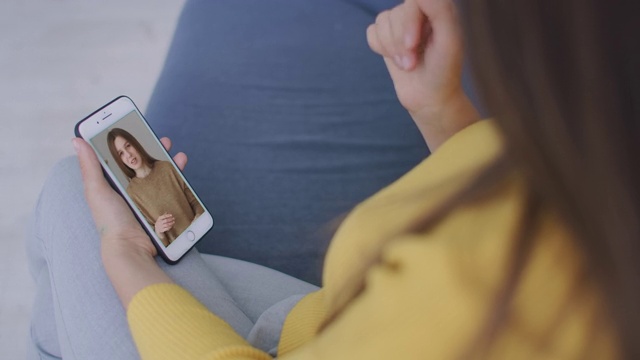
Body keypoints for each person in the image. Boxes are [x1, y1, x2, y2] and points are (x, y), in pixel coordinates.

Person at [27, 0, 639, 359]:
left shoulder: (498, 297)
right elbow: (497, 209)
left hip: (308, 332)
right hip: (320, 320)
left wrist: (126, 255)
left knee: (72, 201)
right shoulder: (597, 177)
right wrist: (442, 111)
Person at [107, 128, 204, 246]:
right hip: (178, 250)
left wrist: (197, 223)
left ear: (135, 144)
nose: (128, 154)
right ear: (119, 160)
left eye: (128, 146)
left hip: (200, 232)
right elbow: (150, 239)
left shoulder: (166, 167)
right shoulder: (131, 194)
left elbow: (195, 202)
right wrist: (159, 231)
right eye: (121, 153)